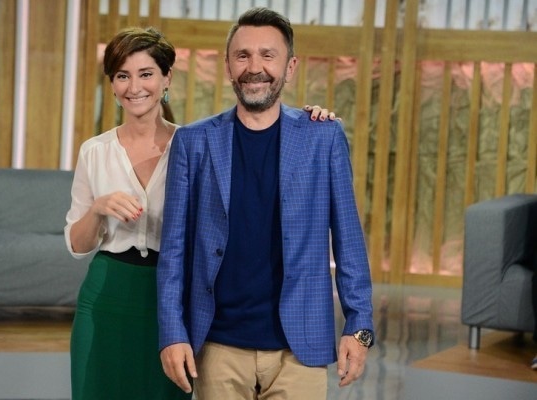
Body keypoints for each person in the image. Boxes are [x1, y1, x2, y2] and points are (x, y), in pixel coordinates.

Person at [64, 26, 335, 400]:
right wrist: (98, 209)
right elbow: (77, 246)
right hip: (107, 294)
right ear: (112, 84)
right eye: (123, 76)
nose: (134, 87)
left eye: (146, 74)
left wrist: (312, 119)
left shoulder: (198, 143)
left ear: (166, 79)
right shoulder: (94, 152)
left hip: (173, 300)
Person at [157, 7, 374, 400]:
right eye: (242, 56)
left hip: (301, 348)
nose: (254, 67)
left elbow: (349, 241)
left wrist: (359, 327)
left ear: (290, 67)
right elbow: (174, 250)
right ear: (227, 65)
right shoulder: (193, 142)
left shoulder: (323, 138)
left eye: (267, 55)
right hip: (217, 347)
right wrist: (172, 333)